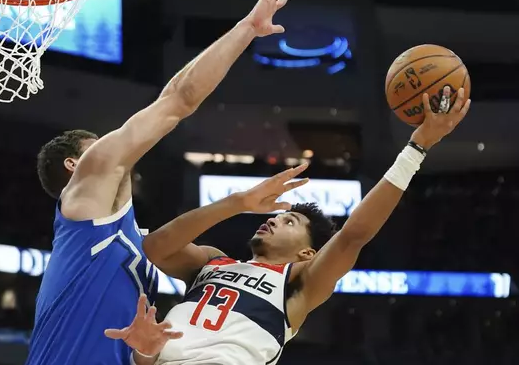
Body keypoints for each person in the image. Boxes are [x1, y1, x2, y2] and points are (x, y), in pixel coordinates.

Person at [25, 0, 292, 364]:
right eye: (97, 141)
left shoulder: (130, 236)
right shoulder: (86, 195)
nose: (112, 143)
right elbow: (177, 100)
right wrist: (247, 28)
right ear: (74, 163)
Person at [106, 87, 471, 365]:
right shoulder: (213, 262)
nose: (273, 219)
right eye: (278, 215)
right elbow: (155, 247)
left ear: (307, 251)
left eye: (289, 221)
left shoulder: (299, 284)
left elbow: (353, 235)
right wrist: (237, 203)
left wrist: (417, 148)